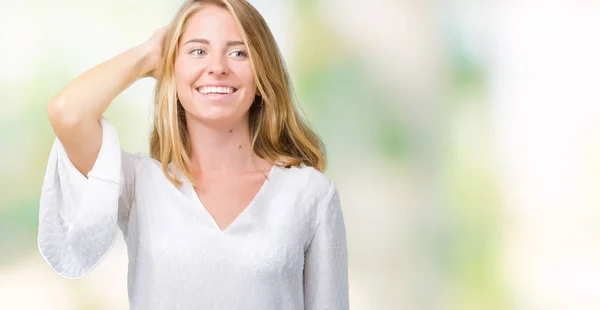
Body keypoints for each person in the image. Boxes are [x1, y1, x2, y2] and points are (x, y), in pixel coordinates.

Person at [37, 0, 349, 309]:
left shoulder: (310, 194)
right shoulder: (139, 184)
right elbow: (68, 113)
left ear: (261, 72)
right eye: (198, 51)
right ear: (171, 69)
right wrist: (147, 56)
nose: (217, 67)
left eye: (238, 52)